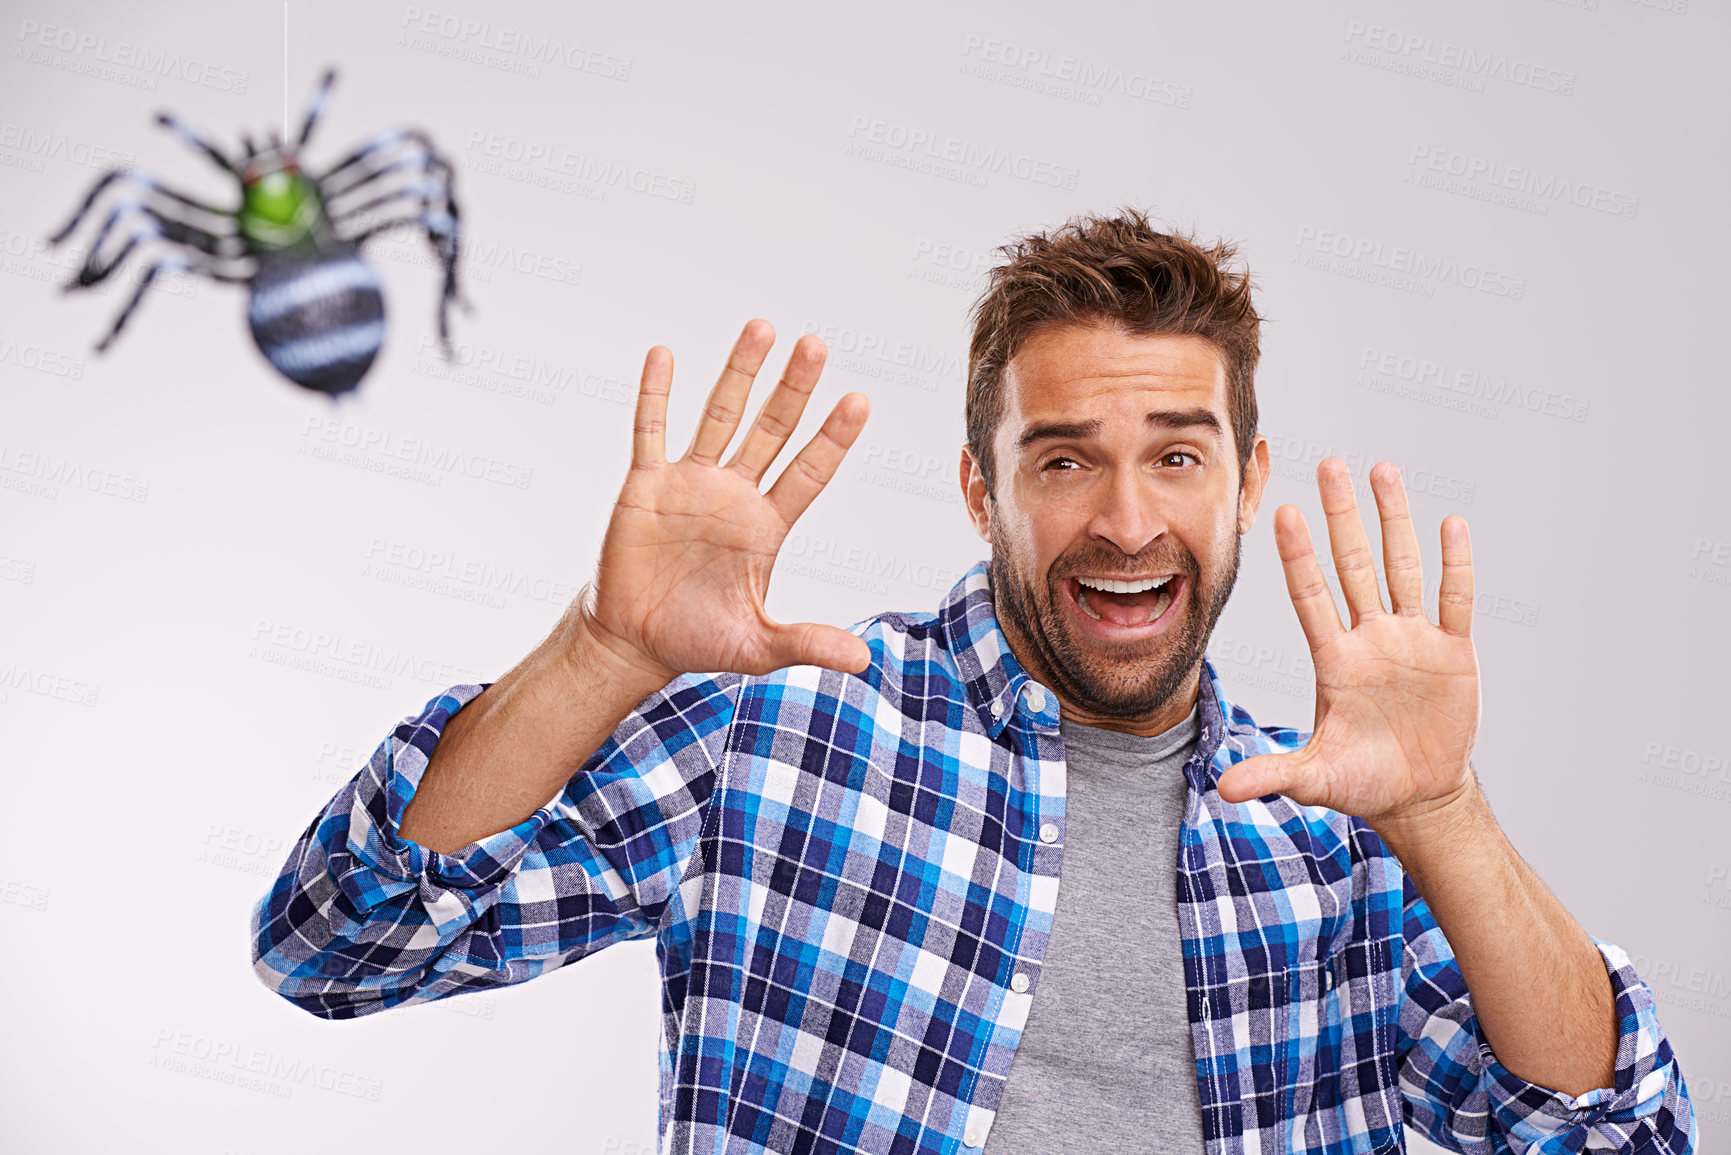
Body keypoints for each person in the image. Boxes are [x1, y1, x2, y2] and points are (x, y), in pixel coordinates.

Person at [251, 209, 1695, 1155]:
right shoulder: (782, 735)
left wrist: (1443, 809)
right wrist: (603, 654)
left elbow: (1620, 1140)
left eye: (1177, 457)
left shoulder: (1329, 846)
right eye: (1063, 459)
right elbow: (336, 945)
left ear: (1244, 483)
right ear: (977, 490)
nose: (1128, 521)